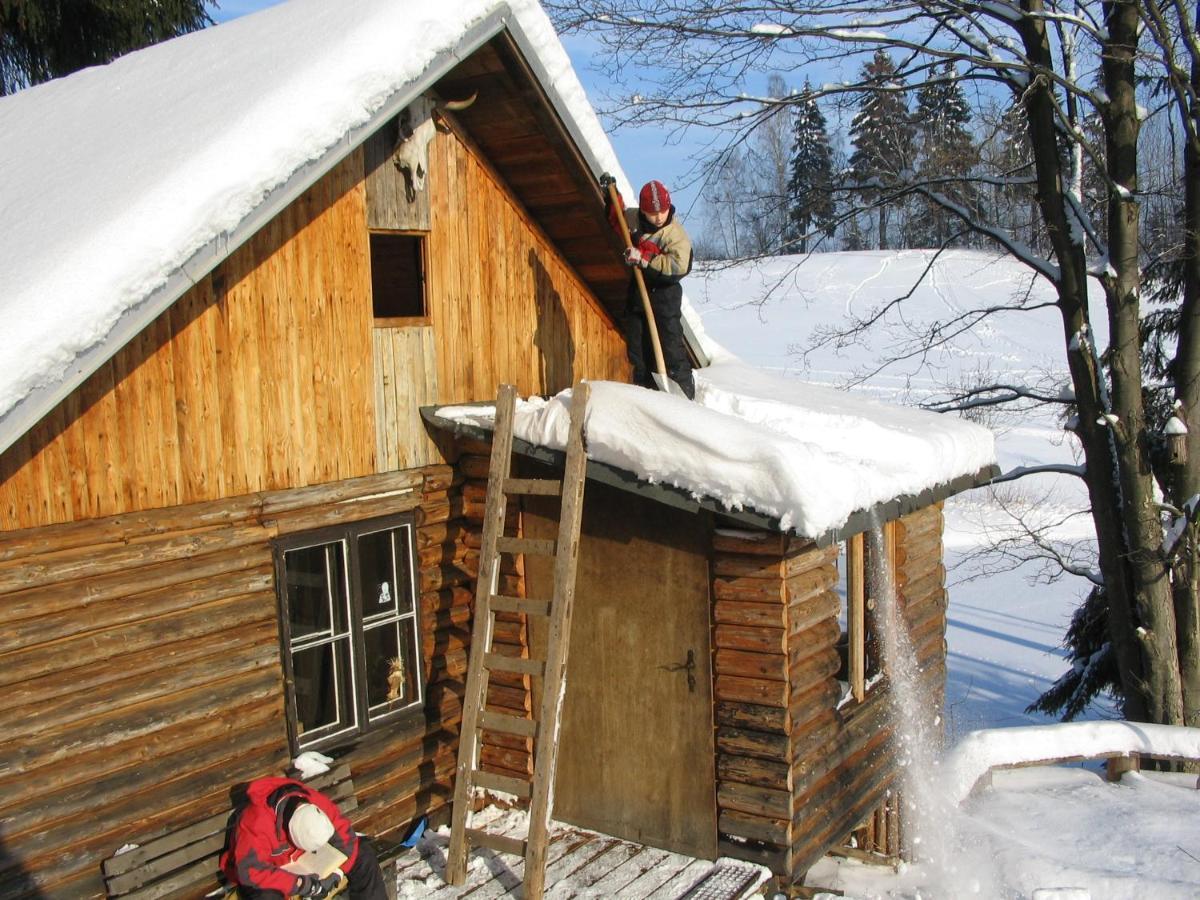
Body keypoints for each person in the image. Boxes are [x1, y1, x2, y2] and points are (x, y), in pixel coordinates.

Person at [221, 776, 388, 900]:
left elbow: (347, 839)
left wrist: (336, 872)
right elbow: (252, 871)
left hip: (305, 862)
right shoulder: (256, 820)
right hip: (270, 871)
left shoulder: (314, 801)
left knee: (363, 855)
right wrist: (301, 884)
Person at [606, 178, 696, 399]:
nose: (658, 217)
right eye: (652, 212)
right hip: (639, 296)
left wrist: (644, 259)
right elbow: (618, 219)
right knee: (638, 351)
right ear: (644, 210)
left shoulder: (675, 234)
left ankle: (685, 397)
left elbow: (677, 266)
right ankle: (646, 398)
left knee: (671, 349)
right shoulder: (635, 220)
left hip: (665, 298)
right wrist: (611, 197)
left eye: (662, 211)